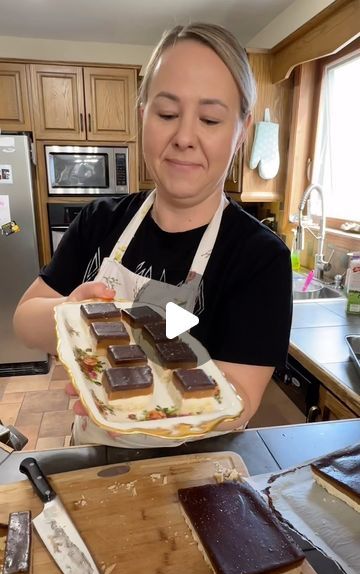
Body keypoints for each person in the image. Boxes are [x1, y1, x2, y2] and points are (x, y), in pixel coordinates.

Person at [13, 23, 292, 447]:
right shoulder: (99, 221)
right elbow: (24, 318)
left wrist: (132, 400)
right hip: (92, 457)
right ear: (142, 112)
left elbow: (240, 400)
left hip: (197, 474)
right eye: (166, 114)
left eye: (211, 119)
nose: (184, 137)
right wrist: (74, 318)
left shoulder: (259, 257)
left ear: (242, 129)